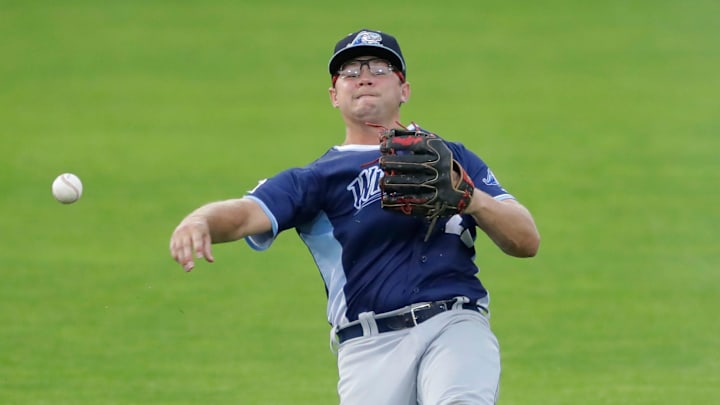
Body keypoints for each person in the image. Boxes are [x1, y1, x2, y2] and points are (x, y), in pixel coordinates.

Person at [169, 28, 540, 405]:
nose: (363, 77)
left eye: (379, 68)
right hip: (368, 349)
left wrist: (471, 199)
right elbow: (245, 214)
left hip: (454, 325)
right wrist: (200, 220)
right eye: (349, 72)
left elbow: (526, 240)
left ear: (404, 90)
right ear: (334, 96)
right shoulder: (314, 180)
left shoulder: (452, 158)